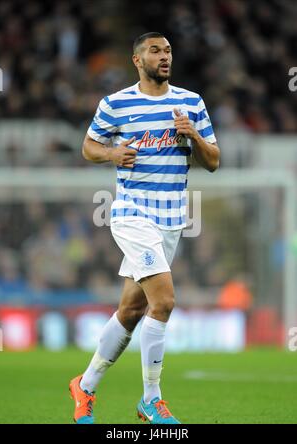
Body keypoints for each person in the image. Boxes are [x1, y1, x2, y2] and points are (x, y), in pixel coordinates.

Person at [69, 32, 220, 424]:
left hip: (171, 219)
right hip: (133, 213)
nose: (164, 56)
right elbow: (88, 146)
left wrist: (194, 137)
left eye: (168, 50)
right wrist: (111, 153)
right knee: (164, 301)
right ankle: (151, 398)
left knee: (132, 309)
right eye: (155, 51)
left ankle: (84, 386)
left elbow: (214, 160)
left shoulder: (191, 103)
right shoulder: (116, 104)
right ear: (138, 60)